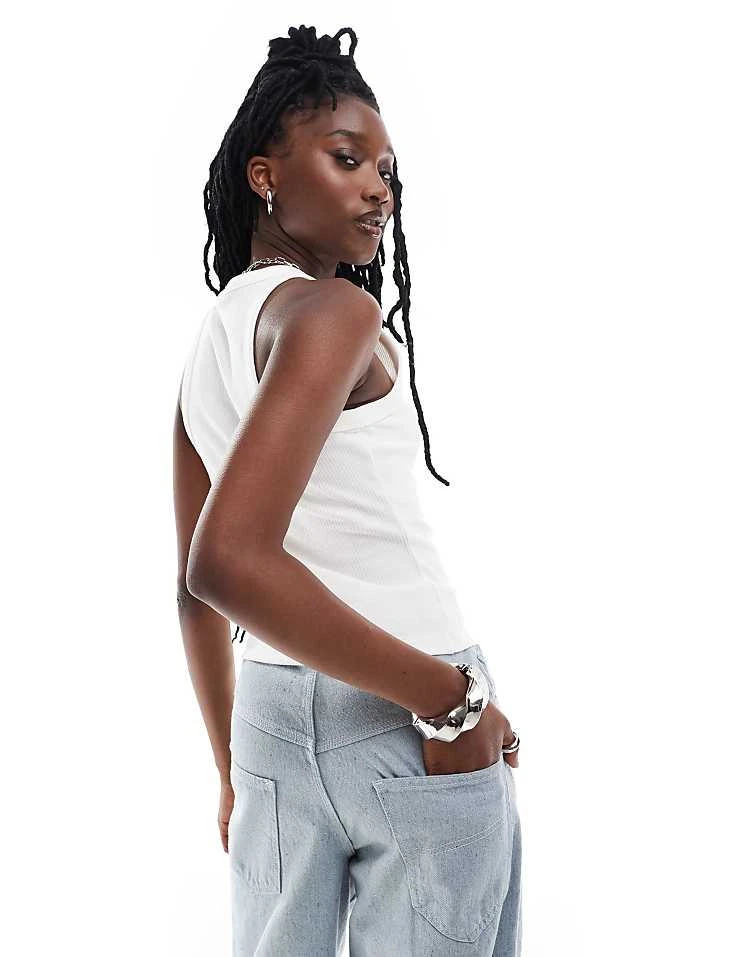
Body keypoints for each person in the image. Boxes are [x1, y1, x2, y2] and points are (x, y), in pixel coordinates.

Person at [173, 23, 522, 956]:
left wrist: (231, 766)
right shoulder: (336, 311)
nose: (379, 188)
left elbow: (193, 595)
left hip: (271, 717)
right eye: (347, 157)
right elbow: (224, 563)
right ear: (264, 176)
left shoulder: (210, 344)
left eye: (387, 170)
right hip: (411, 708)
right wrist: (454, 699)